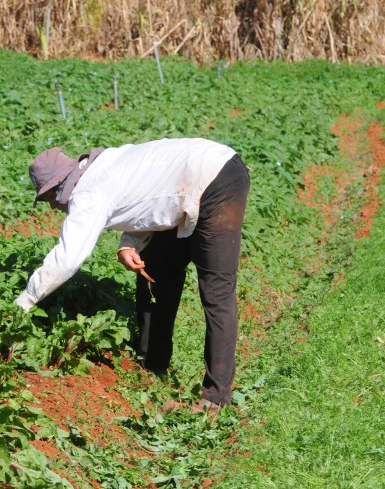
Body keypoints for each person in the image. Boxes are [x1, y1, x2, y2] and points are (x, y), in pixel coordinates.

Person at [14, 138, 250, 413]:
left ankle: (215, 400)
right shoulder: (102, 167)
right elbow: (145, 194)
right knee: (157, 268)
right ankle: (153, 364)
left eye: (47, 198)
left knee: (217, 291)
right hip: (199, 174)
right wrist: (129, 243)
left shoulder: (88, 193)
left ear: (59, 187)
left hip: (216, 179)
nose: (51, 207)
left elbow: (67, 259)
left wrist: (26, 301)